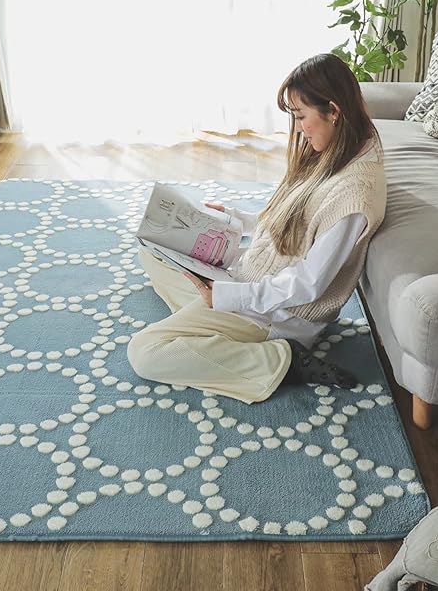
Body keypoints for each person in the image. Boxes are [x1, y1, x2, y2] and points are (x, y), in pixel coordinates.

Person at [127, 53, 387, 405]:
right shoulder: (337, 148)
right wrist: (233, 219)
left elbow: (307, 285)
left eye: (301, 116)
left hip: (274, 314)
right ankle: (208, 323)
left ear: (333, 111)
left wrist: (228, 296)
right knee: (153, 251)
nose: (298, 128)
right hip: (248, 278)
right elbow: (294, 223)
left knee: (145, 351)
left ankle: (282, 359)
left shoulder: (353, 195)